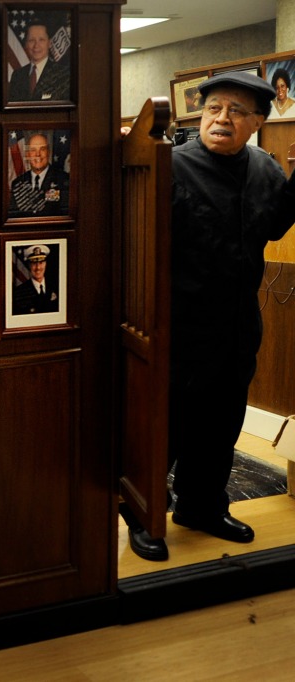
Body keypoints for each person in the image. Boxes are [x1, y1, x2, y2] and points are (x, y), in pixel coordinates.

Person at [122, 71, 295, 562]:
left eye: (237, 112)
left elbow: (276, 220)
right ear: (200, 114)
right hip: (174, 330)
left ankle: (203, 507)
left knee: (220, 428)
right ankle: (144, 515)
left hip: (237, 329)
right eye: (214, 108)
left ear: (258, 122)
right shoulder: (166, 166)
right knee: (164, 431)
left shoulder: (265, 169)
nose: (222, 119)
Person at [9, 132, 70, 217]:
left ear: (48, 152)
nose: (38, 154)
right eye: (33, 150)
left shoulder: (64, 180)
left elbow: (66, 216)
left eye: (42, 149)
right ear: (28, 154)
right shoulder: (17, 183)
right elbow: (15, 217)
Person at [7, 20, 70, 102]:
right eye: (31, 40)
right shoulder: (17, 75)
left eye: (41, 40)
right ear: (26, 44)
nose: (36, 45)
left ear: (49, 43)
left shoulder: (63, 74)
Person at [12, 244, 58, 315]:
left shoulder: (56, 286)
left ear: (46, 263)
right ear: (29, 265)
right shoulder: (19, 293)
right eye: (34, 263)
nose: (38, 268)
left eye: (41, 262)